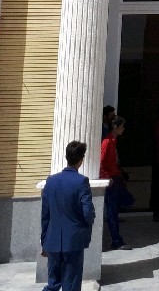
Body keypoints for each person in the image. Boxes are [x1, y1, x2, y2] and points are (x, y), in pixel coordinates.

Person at [40, 140, 96, 291]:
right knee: (71, 284)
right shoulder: (81, 181)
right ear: (81, 160)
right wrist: (87, 225)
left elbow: (45, 214)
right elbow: (88, 212)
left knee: (53, 284)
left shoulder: (51, 181)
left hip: (52, 240)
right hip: (73, 240)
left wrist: (44, 241)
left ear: (66, 157)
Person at [101, 117, 133, 249]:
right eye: (122, 127)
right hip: (111, 179)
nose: (123, 129)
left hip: (116, 177)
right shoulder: (107, 142)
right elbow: (101, 162)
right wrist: (107, 177)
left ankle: (116, 238)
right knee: (112, 210)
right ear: (116, 127)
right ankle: (116, 240)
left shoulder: (113, 142)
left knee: (126, 201)